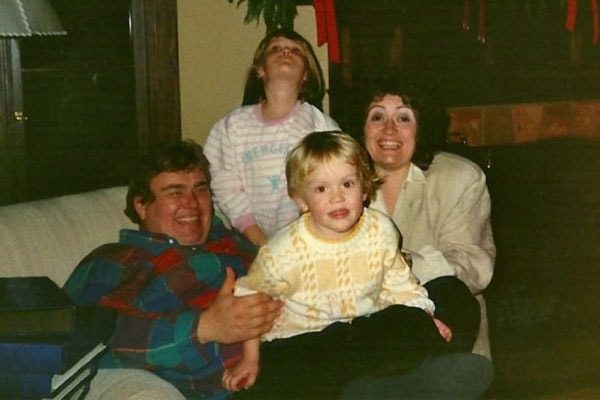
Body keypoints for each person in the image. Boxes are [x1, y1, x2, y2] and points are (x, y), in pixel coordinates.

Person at [223, 131, 452, 399]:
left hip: (361, 333)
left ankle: (382, 383)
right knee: (295, 369)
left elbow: (400, 284)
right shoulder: (282, 250)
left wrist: (423, 318)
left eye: (347, 184)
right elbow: (251, 296)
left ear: (364, 188)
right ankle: (389, 382)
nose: (337, 197)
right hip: (304, 344)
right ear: (300, 200)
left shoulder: (380, 230)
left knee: (445, 296)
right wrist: (250, 359)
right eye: (321, 188)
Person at [63, 140, 283, 400]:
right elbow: (83, 340)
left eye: (200, 190)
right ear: (141, 206)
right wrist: (204, 327)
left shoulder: (237, 242)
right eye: (175, 192)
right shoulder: (118, 258)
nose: (192, 203)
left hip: (303, 340)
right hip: (245, 383)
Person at [359, 75, 496, 354]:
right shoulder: (340, 183)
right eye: (377, 117)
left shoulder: (460, 178)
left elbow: (474, 266)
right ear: (361, 128)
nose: (388, 129)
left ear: (421, 128)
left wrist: (402, 263)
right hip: (369, 330)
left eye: (403, 118)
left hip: (446, 331)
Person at [204, 29, 339, 247]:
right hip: (248, 240)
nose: (285, 51)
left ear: (306, 74)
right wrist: (258, 238)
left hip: (311, 241)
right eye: (275, 49)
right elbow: (224, 185)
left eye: (295, 50)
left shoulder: (321, 126)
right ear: (260, 70)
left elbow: (336, 181)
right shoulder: (231, 127)